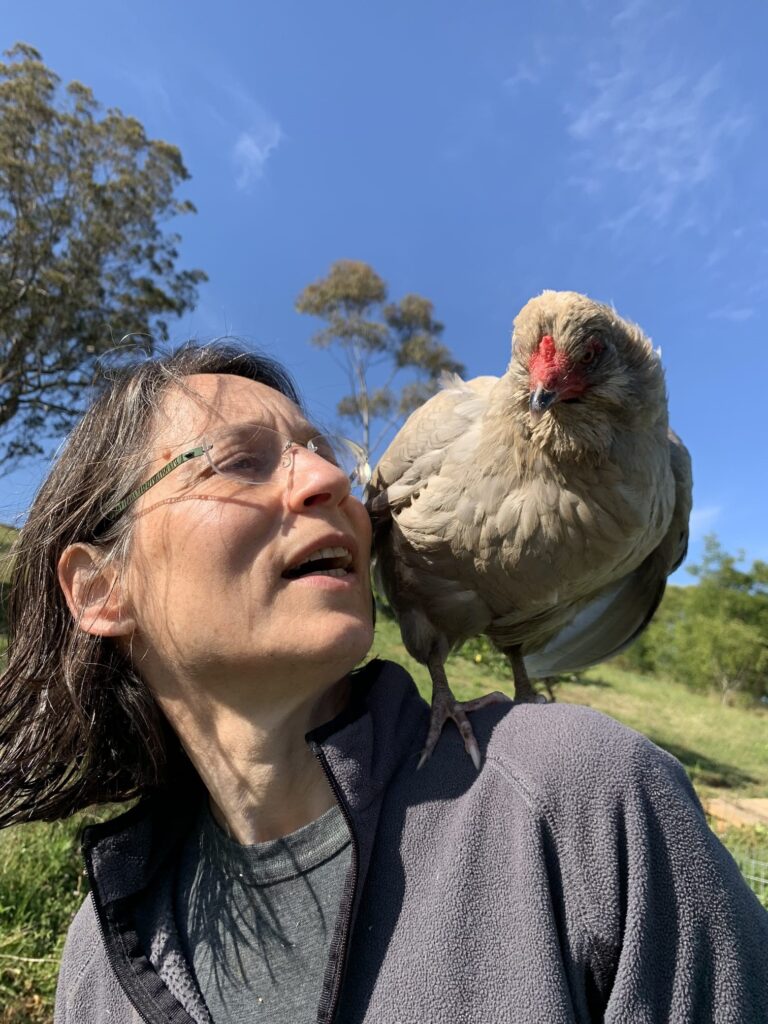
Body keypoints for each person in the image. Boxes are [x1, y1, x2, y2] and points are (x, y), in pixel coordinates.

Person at [1, 342, 766, 1024]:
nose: (331, 479)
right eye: (238, 461)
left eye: (319, 451)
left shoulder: (582, 801)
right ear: (101, 590)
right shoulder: (101, 961)